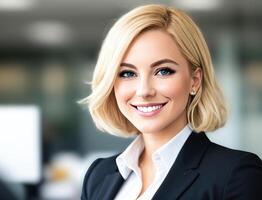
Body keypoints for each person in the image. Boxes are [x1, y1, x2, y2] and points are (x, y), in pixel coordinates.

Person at [80, 4, 262, 200]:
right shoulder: (98, 175)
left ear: (195, 80)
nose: (144, 91)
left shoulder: (236, 174)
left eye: (163, 71)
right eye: (127, 73)